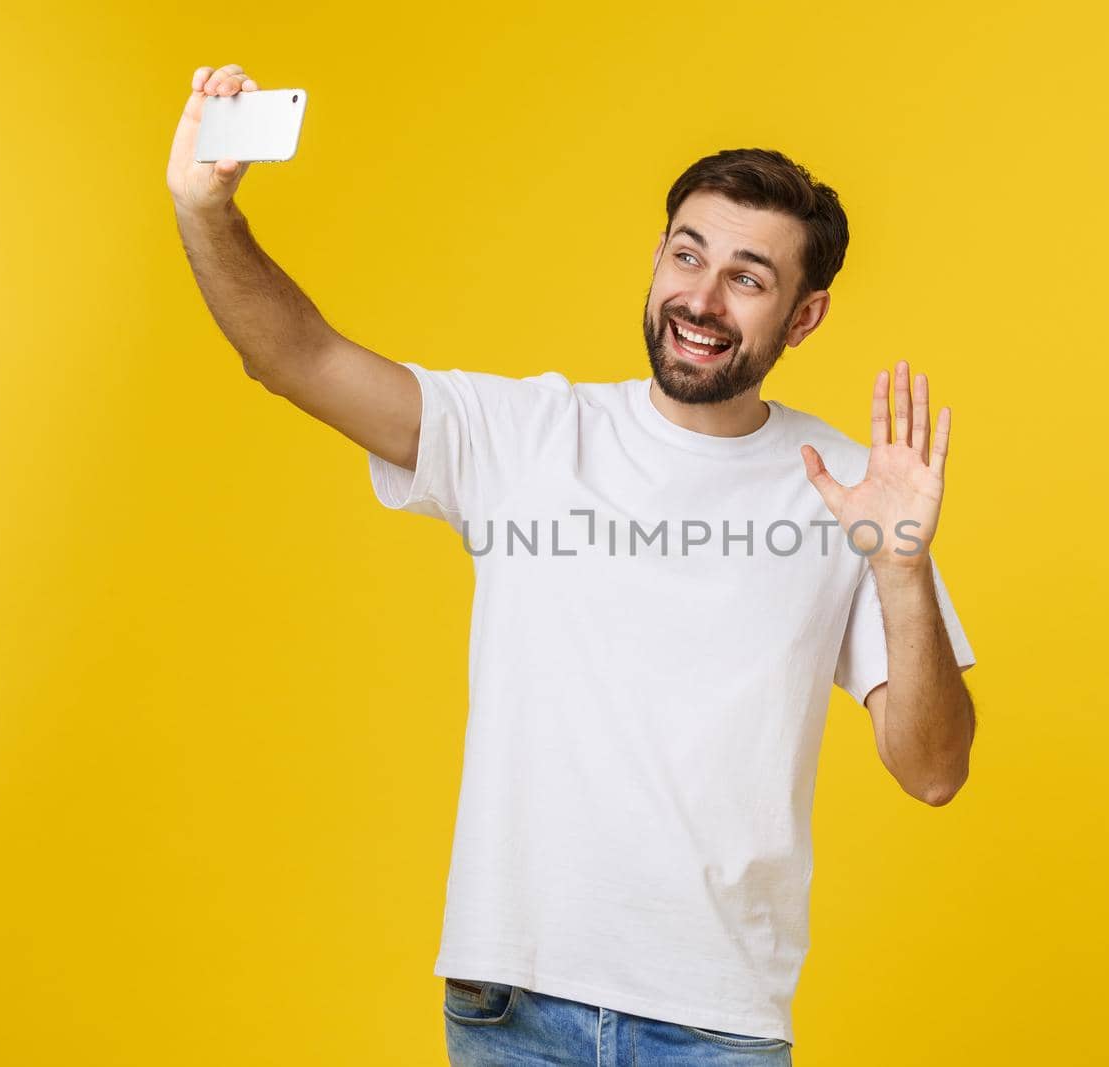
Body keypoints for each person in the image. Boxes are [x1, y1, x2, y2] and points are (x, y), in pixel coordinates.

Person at [168, 62, 978, 1066]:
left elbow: (933, 767)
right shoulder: (528, 434)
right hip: (513, 1007)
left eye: (749, 276)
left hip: (715, 1022)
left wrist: (901, 571)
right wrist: (206, 213)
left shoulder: (853, 489)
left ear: (802, 316)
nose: (703, 296)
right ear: (656, 258)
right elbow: (297, 358)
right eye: (688, 255)